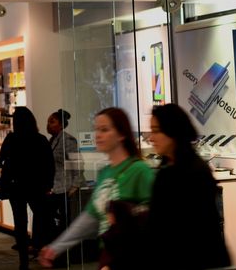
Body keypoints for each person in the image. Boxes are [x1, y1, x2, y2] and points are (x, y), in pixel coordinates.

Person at [38, 107, 154, 269]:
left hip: (133, 258)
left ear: (121, 135)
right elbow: (90, 218)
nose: (98, 135)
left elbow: (157, 219)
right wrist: (55, 248)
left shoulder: (139, 171)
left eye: (105, 130)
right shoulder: (106, 173)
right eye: (96, 129)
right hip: (110, 256)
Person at [147, 104, 230, 269]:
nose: (151, 137)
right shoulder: (166, 168)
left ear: (173, 131)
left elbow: (194, 229)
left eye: (156, 131)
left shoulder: (194, 171)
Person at [0, 106, 54, 270]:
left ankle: (24, 261)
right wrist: (48, 185)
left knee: (20, 223)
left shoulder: (11, 139)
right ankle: (42, 250)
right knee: (42, 218)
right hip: (37, 185)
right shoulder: (41, 139)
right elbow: (49, 165)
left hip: (16, 186)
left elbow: (0, 160)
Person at [47, 109, 83, 238]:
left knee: (63, 221)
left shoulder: (68, 140)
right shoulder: (52, 140)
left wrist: (75, 184)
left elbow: (77, 162)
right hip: (54, 187)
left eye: (52, 122)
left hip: (64, 187)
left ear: (61, 125)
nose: (48, 125)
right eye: (48, 122)